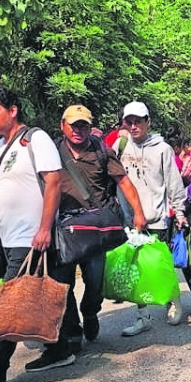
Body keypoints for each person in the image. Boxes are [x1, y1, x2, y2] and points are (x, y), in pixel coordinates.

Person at [0, 87, 72, 382]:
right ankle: (63, 346)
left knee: (12, 304)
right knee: (36, 292)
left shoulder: (36, 139)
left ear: (12, 110)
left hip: (30, 234)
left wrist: (44, 227)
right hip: (5, 236)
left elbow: (54, 181)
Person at [52, 104, 145, 348]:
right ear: (63, 125)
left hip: (95, 229)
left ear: (90, 127)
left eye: (83, 125)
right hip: (63, 226)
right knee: (63, 284)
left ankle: (91, 312)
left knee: (94, 283)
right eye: (73, 125)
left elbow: (123, 181)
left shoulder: (102, 151)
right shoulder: (51, 151)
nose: (78, 130)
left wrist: (138, 212)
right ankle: (72, 331)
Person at [115, 101, 187, 335]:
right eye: (130, 122)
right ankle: (142, 315)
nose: (134, 126)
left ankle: (172, 301)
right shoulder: (120, 145)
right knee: (136, 269)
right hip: (129, 220)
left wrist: (180, 211)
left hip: (155, 217)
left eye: (138, 121)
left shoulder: (162, 149)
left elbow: (173, 182)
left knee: (161, 265)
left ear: (148, 122)